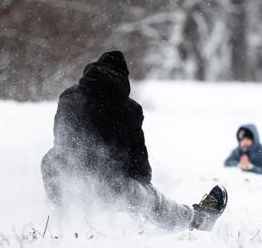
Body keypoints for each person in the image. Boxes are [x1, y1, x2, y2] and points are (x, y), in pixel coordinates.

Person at [41, 51, 227, 231]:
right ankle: (198, 220)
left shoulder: (68, 97)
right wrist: (141, 188)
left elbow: (61, 139)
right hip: (108, 186)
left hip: (66, 178)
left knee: (52, 160)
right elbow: (139, 163)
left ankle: (63, 221)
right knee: (148, 197)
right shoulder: (130, 109)